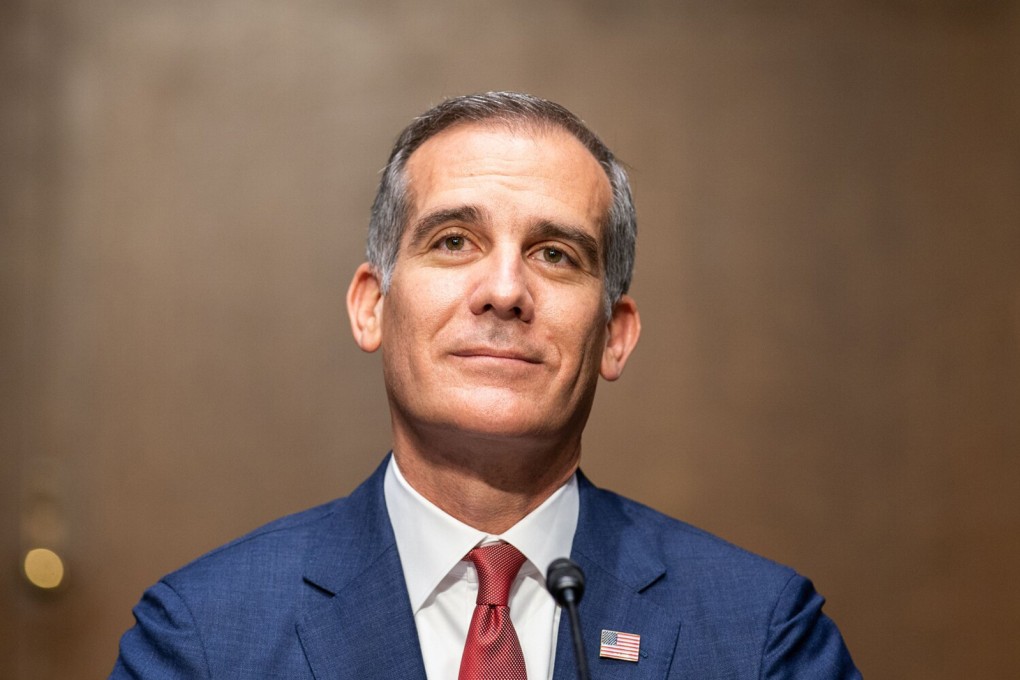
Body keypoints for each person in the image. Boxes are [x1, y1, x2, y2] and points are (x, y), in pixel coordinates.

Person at [112, 92, 860, 679]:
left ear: (615, 334)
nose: (504, 290)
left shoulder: (762, 632)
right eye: (454, 242)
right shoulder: (204, 634)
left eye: (556, 254)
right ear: (372, 306)